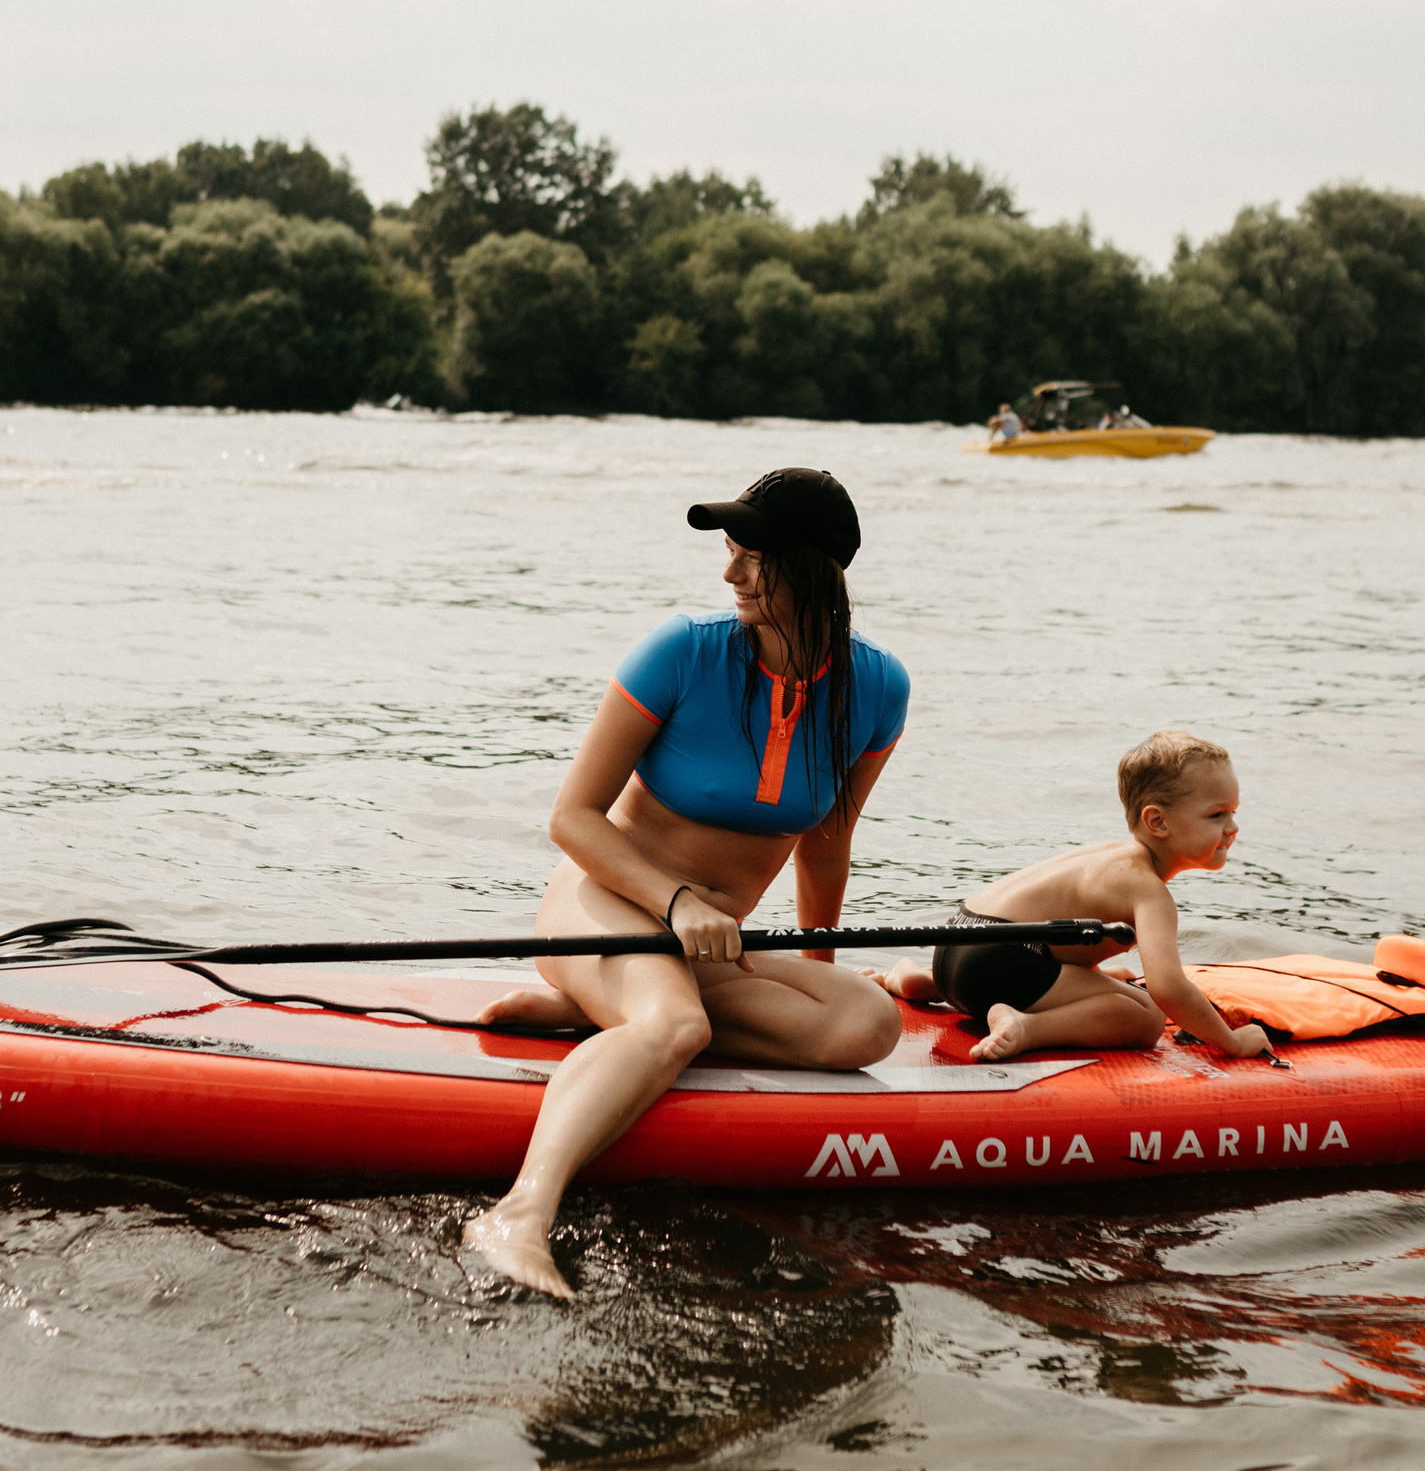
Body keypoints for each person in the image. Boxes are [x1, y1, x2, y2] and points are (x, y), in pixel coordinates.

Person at [463, 468, 910, 1297]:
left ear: (814, 570)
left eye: (752, 557)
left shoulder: (878, 688)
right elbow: (573, 818)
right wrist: (671, 901)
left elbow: (827, 839)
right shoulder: (682, 652)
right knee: (676, 1029)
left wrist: (818, 971)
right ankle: (518, 1214)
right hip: (606, 903)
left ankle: (596, 1010)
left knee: (865, 1024)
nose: (731, 575)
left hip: (704, 946)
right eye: (730, 554)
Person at [867, 730, 1271, 1063]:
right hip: (998, 965)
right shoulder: (1149, 889)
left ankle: (913, 980)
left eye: (1234, 812)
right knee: (1146, 1017)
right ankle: (1026, 1027)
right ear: (1157, 821)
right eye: (1217, 814)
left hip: (954, 947)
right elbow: (1168, 989)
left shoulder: (1109, 858)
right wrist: (1232, 1042)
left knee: (1111, 979)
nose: (1233, 826)